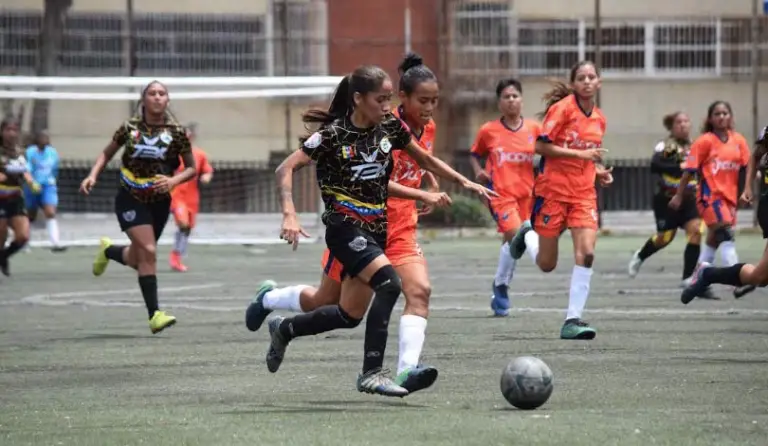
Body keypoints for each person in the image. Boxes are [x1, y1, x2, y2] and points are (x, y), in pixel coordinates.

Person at [264, 64, 495, 397]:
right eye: (380, 99)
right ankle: (372, 373)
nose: (386, 107)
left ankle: (284, 329)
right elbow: (285, 167)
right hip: (344, 228)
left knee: (349, 314)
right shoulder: (332, 135)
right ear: (358, 99)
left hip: (376, 230)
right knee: (390, 283)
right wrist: (289, 213)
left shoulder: (389, 127)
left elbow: (425, 160)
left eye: (389, 99)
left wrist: (464, 181)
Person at [79, 81, 196, 333]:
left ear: (167, 99)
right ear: (143, 99)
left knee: (139, 256)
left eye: (161, 93)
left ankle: (109, 251)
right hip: (130, 197)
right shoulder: (129, 128)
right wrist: (92, 175)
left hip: (160, 201)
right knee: (150, 249)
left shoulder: (176, 132)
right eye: (152, 93)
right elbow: (106, 154)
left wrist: (173, 180)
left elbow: (191, 167)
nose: (157, 97)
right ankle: (155, 314)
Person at [507, 60, 612, 340]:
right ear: (574, 83)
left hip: (583, 194)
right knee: (546, 264)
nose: (587, 81)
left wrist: (598, 171)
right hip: (552, 191)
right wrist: (581, 157)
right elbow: (540, 146)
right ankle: (527, 235)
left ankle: (572, 320)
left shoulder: (599, 118)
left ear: (599, 82)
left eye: (592, 77)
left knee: (587, 253)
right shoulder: (563, 109)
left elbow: (588, 154)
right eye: (582, 77)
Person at [469, 78, 540, 316]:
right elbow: (474, 154)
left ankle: (500, 286)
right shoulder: (488, 131)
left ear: (521, 100)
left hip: (527, 196)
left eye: (515, 96)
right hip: (500, 195)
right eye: (506, 97)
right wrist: (478, 171)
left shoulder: (534, 129)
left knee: (512, 243)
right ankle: (540, 256)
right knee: (519, 235)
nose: (511, 100)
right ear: (499, 102)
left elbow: (550, 152)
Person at [673, 101, 754, 303]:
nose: (721, 117)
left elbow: (748, 167)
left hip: (729, 200)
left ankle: (696, 282)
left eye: (725, 113)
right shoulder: (704, 142)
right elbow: (689, 170)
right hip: (710, 198)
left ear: (731, 117)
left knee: (713, 241)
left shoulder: (739, 141)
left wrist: (748, 189)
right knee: (726, 235)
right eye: (717, 113)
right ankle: (738, 282)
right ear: (710, 118)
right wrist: (679, 195)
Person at [628, 112, 711, 292]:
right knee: (665, 238)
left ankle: (688, 277)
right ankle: (640, 256)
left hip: (690, 198)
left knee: (696, 231)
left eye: (686, 121)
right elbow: (655, 165)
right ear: (672, 127)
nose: (683, 125)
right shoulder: (665, 145)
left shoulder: (695, 145)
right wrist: (678, 167)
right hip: (667, 199)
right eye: (678, 122)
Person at [169, 123, 214, 272]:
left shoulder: (199, 155)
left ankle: (177, 256)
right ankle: (174, 257)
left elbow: (207, 170)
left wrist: (206, 177)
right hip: (176, 195)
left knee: (187, 228)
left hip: (192, 198)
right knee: (183, 223)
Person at [0, 117, 37, 276]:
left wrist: (31, 182)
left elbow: (24, 170)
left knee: (23, 237)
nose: (11, 133)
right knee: (1, 233)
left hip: (15, 197)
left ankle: (3, 256)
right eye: (8, 130)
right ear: (1, 132)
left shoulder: (20, 151)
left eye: (14, 130)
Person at [24, 130, 66, 252]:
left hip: (48, 186)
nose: (45, 139)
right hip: (32, 186)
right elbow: (27, 169)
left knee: (50, 212)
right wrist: (32, 182)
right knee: (30, 214)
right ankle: (25, 242)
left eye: (47, 137)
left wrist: (52, 181)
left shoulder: (52, 153)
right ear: (37, 139)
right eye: (42, 137)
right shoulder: (30, 152)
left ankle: (55, 243)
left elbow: (54, 169)